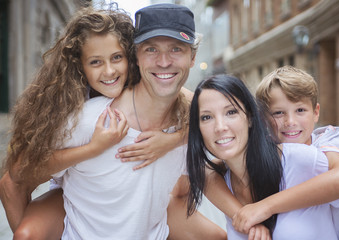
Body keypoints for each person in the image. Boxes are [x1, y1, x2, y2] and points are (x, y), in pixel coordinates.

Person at [1, 4, 226, 240]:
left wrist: (172, 140)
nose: (109, 71)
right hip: (78, 195)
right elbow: (14, 179)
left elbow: (192, 103)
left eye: (117, 57)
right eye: (96, 62)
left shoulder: (171, 99)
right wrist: (93, 148)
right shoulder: (79, 112)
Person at [186, 74, 339, 239]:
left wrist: (264, 207)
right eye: (206, 117)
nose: (220, 127)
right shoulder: (221, 178)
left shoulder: (303, 155)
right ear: (263, 118)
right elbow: (202, 175)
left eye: (231, 112)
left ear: (251, 118)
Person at [254, 65, 339, 240]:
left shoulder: (328, 140)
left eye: (300, 110)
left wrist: (265, 207)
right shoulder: (264, 152)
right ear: (263, 118)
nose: (290, 121)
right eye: (279, 113)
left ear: (316, 112)